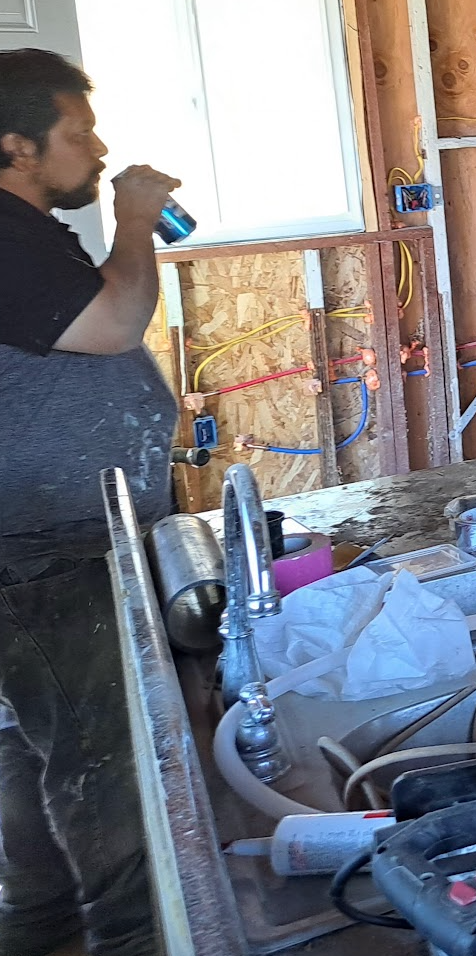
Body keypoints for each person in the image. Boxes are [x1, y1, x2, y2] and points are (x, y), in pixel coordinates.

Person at [0, 47, 174, 956]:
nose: (99, 149)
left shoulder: (24, 232)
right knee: (98, 761)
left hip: (49, 542)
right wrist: (134, 220)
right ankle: (134, 939)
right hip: (44, 553)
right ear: (16, 146)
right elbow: (112, 323)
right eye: (79, 131)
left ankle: (38, 929)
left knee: (34, 748)